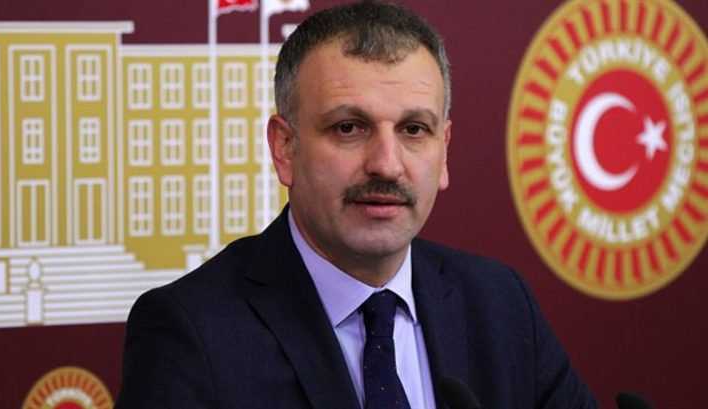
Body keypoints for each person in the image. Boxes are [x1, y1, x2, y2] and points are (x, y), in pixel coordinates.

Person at [116, 1, 597, 408]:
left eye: (414, 130)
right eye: (349, 128)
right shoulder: (191, 333)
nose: (386, 165)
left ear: (444, 150)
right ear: (285, 148)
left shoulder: (500, 304)